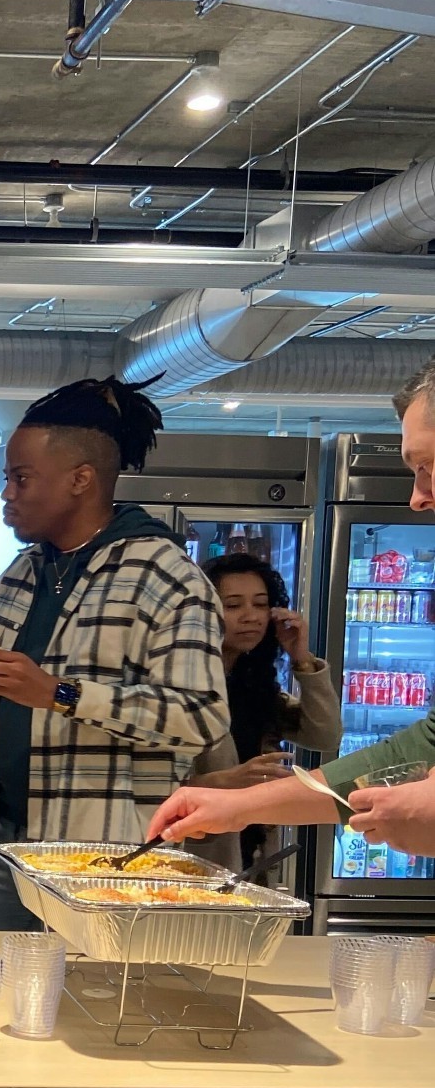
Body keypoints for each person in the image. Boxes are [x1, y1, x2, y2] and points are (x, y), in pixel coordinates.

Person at [0, 374, 231, 933]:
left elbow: (201, 717)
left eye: (22, 479)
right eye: (7, 478)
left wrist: (59, 692)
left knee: (91, 1016)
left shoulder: (166, 575)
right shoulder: (18, 576)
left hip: (106, 865)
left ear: (81, 479)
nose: (8, 493)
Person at [153, 360, 435, 858]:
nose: (416, 497)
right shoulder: (179, 678)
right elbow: (417, 749)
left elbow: (326, 734)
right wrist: (235, 803)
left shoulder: (262, 682)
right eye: (232, 604)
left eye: (427, 468)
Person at [189, 554, 342, 870]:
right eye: (233, 606)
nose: (251, 617)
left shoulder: (254, 686)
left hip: (251, 857)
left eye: (260, 605)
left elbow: (325, 735)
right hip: (193, 860)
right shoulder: (180, 685)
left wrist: (302, 659)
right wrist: (225, 780)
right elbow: (150, 786)